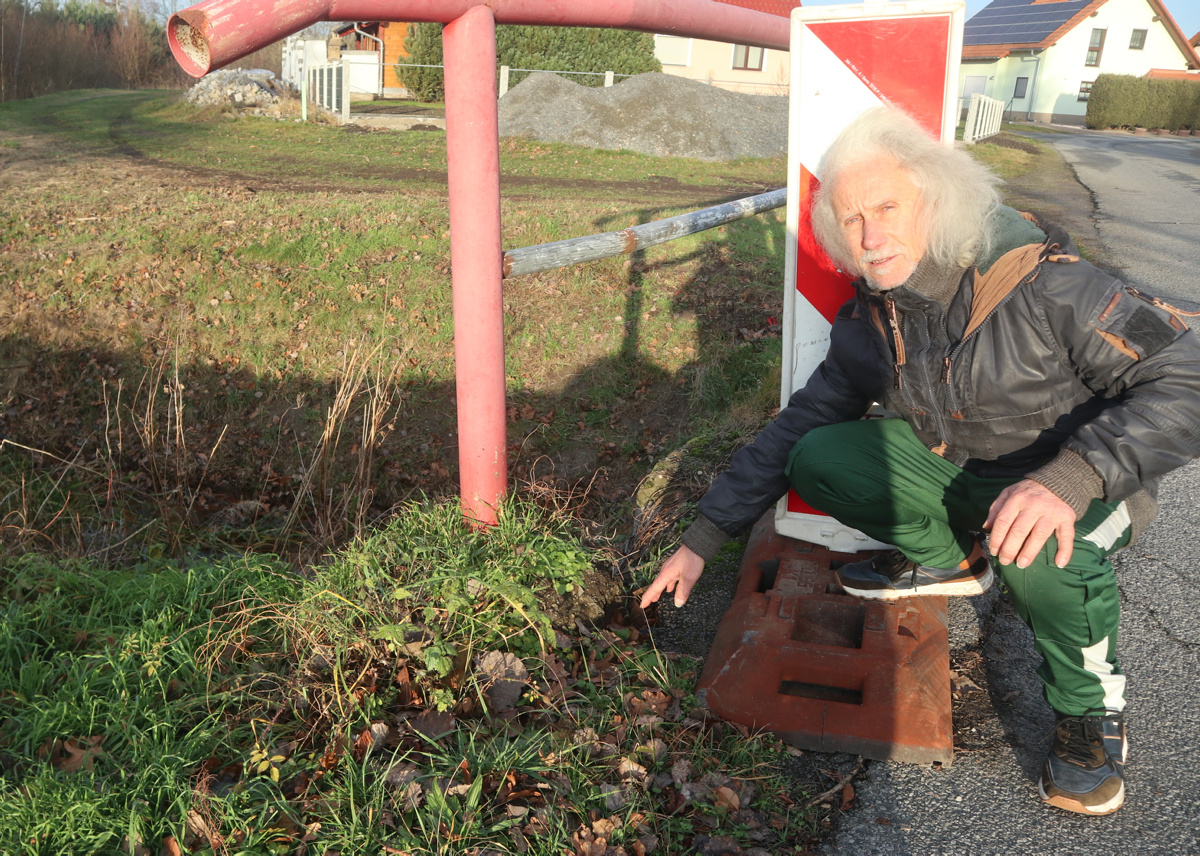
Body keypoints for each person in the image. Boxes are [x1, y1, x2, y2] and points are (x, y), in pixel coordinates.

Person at [639, 107, 1200, 816]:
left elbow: (1187, 376)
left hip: (1086, 483)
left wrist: (1071, 478)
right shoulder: (875, 316)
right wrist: (701, 540)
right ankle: (951, 557)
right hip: (968, 472)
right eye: (851, 219)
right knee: (822, 456)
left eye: (887, 206)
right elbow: (795, 429)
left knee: (1033, 549)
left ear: (935, 199)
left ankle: (1092, 715)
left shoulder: (1047, 285)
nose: (871, 237)